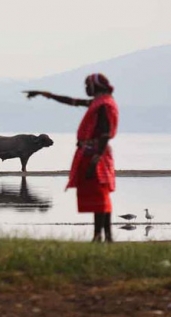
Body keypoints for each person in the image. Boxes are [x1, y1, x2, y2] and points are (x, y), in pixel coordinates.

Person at [25, 73, 119, 242]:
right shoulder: (98, 103)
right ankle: (103, 237)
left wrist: (96, 159)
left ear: (95, 86)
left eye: (87, 86)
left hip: (96, 154)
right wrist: (45, 94)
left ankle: (102, 236)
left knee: (99, 195)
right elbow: (71, 101)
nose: (85, 89)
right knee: (99, 195)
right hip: (92, 152)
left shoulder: (103, 105)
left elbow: (105, 133)